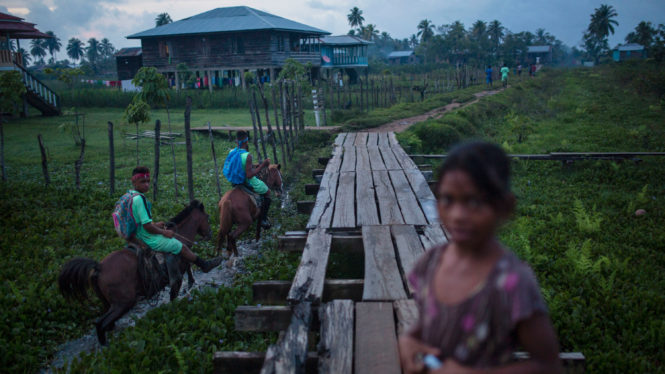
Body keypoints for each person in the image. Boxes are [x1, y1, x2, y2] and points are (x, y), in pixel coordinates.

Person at [398, 142, 562, 374]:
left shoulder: (512, 282)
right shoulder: (431, 262)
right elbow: (430, 322)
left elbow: (548, 365)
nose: (457, 215)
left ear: (506, 206)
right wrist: (407, 340)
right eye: (447, 199)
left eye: (474, 201)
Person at [128, 166, 222, 273]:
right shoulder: (140, 199)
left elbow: (141, 221)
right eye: (142, 182)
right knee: (181, 247)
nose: (146, 185)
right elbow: (147, 226)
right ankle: (204, 265)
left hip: (137, 233)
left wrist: (155, 224)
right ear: (134, 181)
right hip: (146, 237)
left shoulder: (131, 195)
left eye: (148, 181)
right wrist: (164, 232)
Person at [230, 130, 273, 229]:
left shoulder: (232, 152)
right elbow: (249, 175)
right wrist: (263, 165)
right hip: (246, 181)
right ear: (246, 141)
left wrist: (253, 165)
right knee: (267, 192)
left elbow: (239, 165)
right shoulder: (247, 155)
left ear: (237, 141)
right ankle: (263, 219)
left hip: (235, 181)